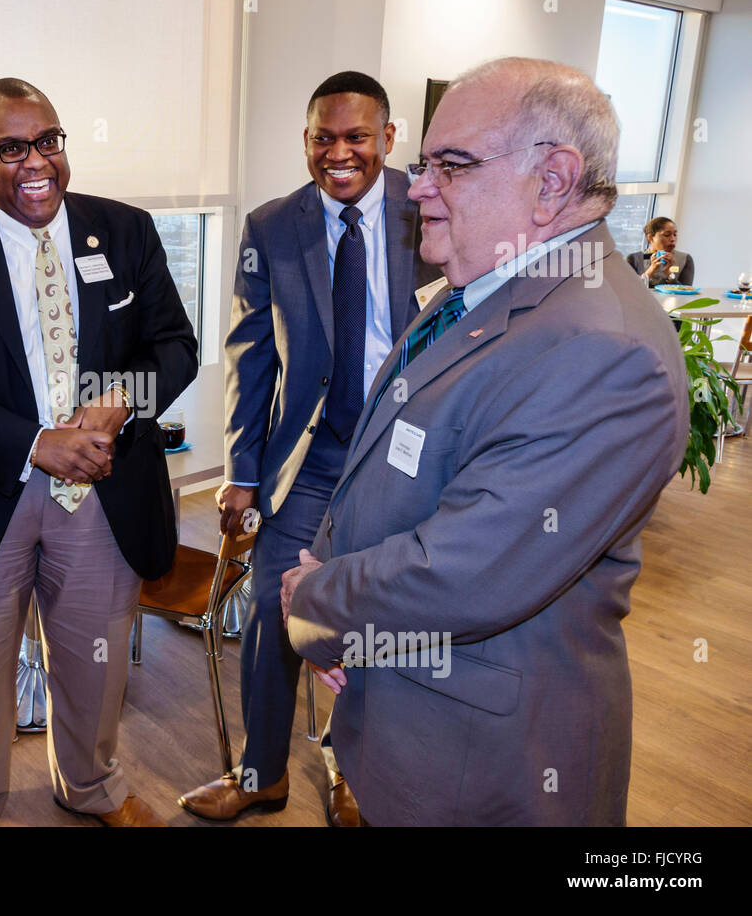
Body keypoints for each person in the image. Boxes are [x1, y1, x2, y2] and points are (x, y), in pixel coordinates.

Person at [282, 57, 689, 825]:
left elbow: (464, 572)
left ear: (554, 180)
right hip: (407, 714)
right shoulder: (488, 289)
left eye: (452, 165)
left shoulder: (606, 350)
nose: (418, 187)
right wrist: (352, 622)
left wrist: (317, 602)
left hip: (486, 766)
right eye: (422, 163)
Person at [0, 77, 197, 826]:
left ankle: (90, 787)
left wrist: (122, 401)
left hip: (104, 488)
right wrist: (36, 444)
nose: (34, 162)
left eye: (47, 141)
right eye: (9, 148)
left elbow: (173, 347)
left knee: (94, 660)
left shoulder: (124, 231)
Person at [179, 72, 435, 826]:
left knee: (372, 617)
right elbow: (250, 356)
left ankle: (352, 766)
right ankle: (261, 773)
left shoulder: (428, 211)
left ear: (388, 140)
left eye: (357, 136)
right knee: (270, 611)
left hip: (402, 455)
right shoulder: (270, 226)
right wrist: (241, 474)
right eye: (324, 137)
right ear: (306, 142)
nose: (340, 152)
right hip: (309, 460)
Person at [626, 217, 695, 287]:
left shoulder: (685, 259)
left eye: (675, 234)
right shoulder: (634, 259)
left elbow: (687, 292)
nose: (673, 239)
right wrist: (651, 270)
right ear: (650, 237)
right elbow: (629, 289)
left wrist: (669, 274)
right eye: (667, 235)